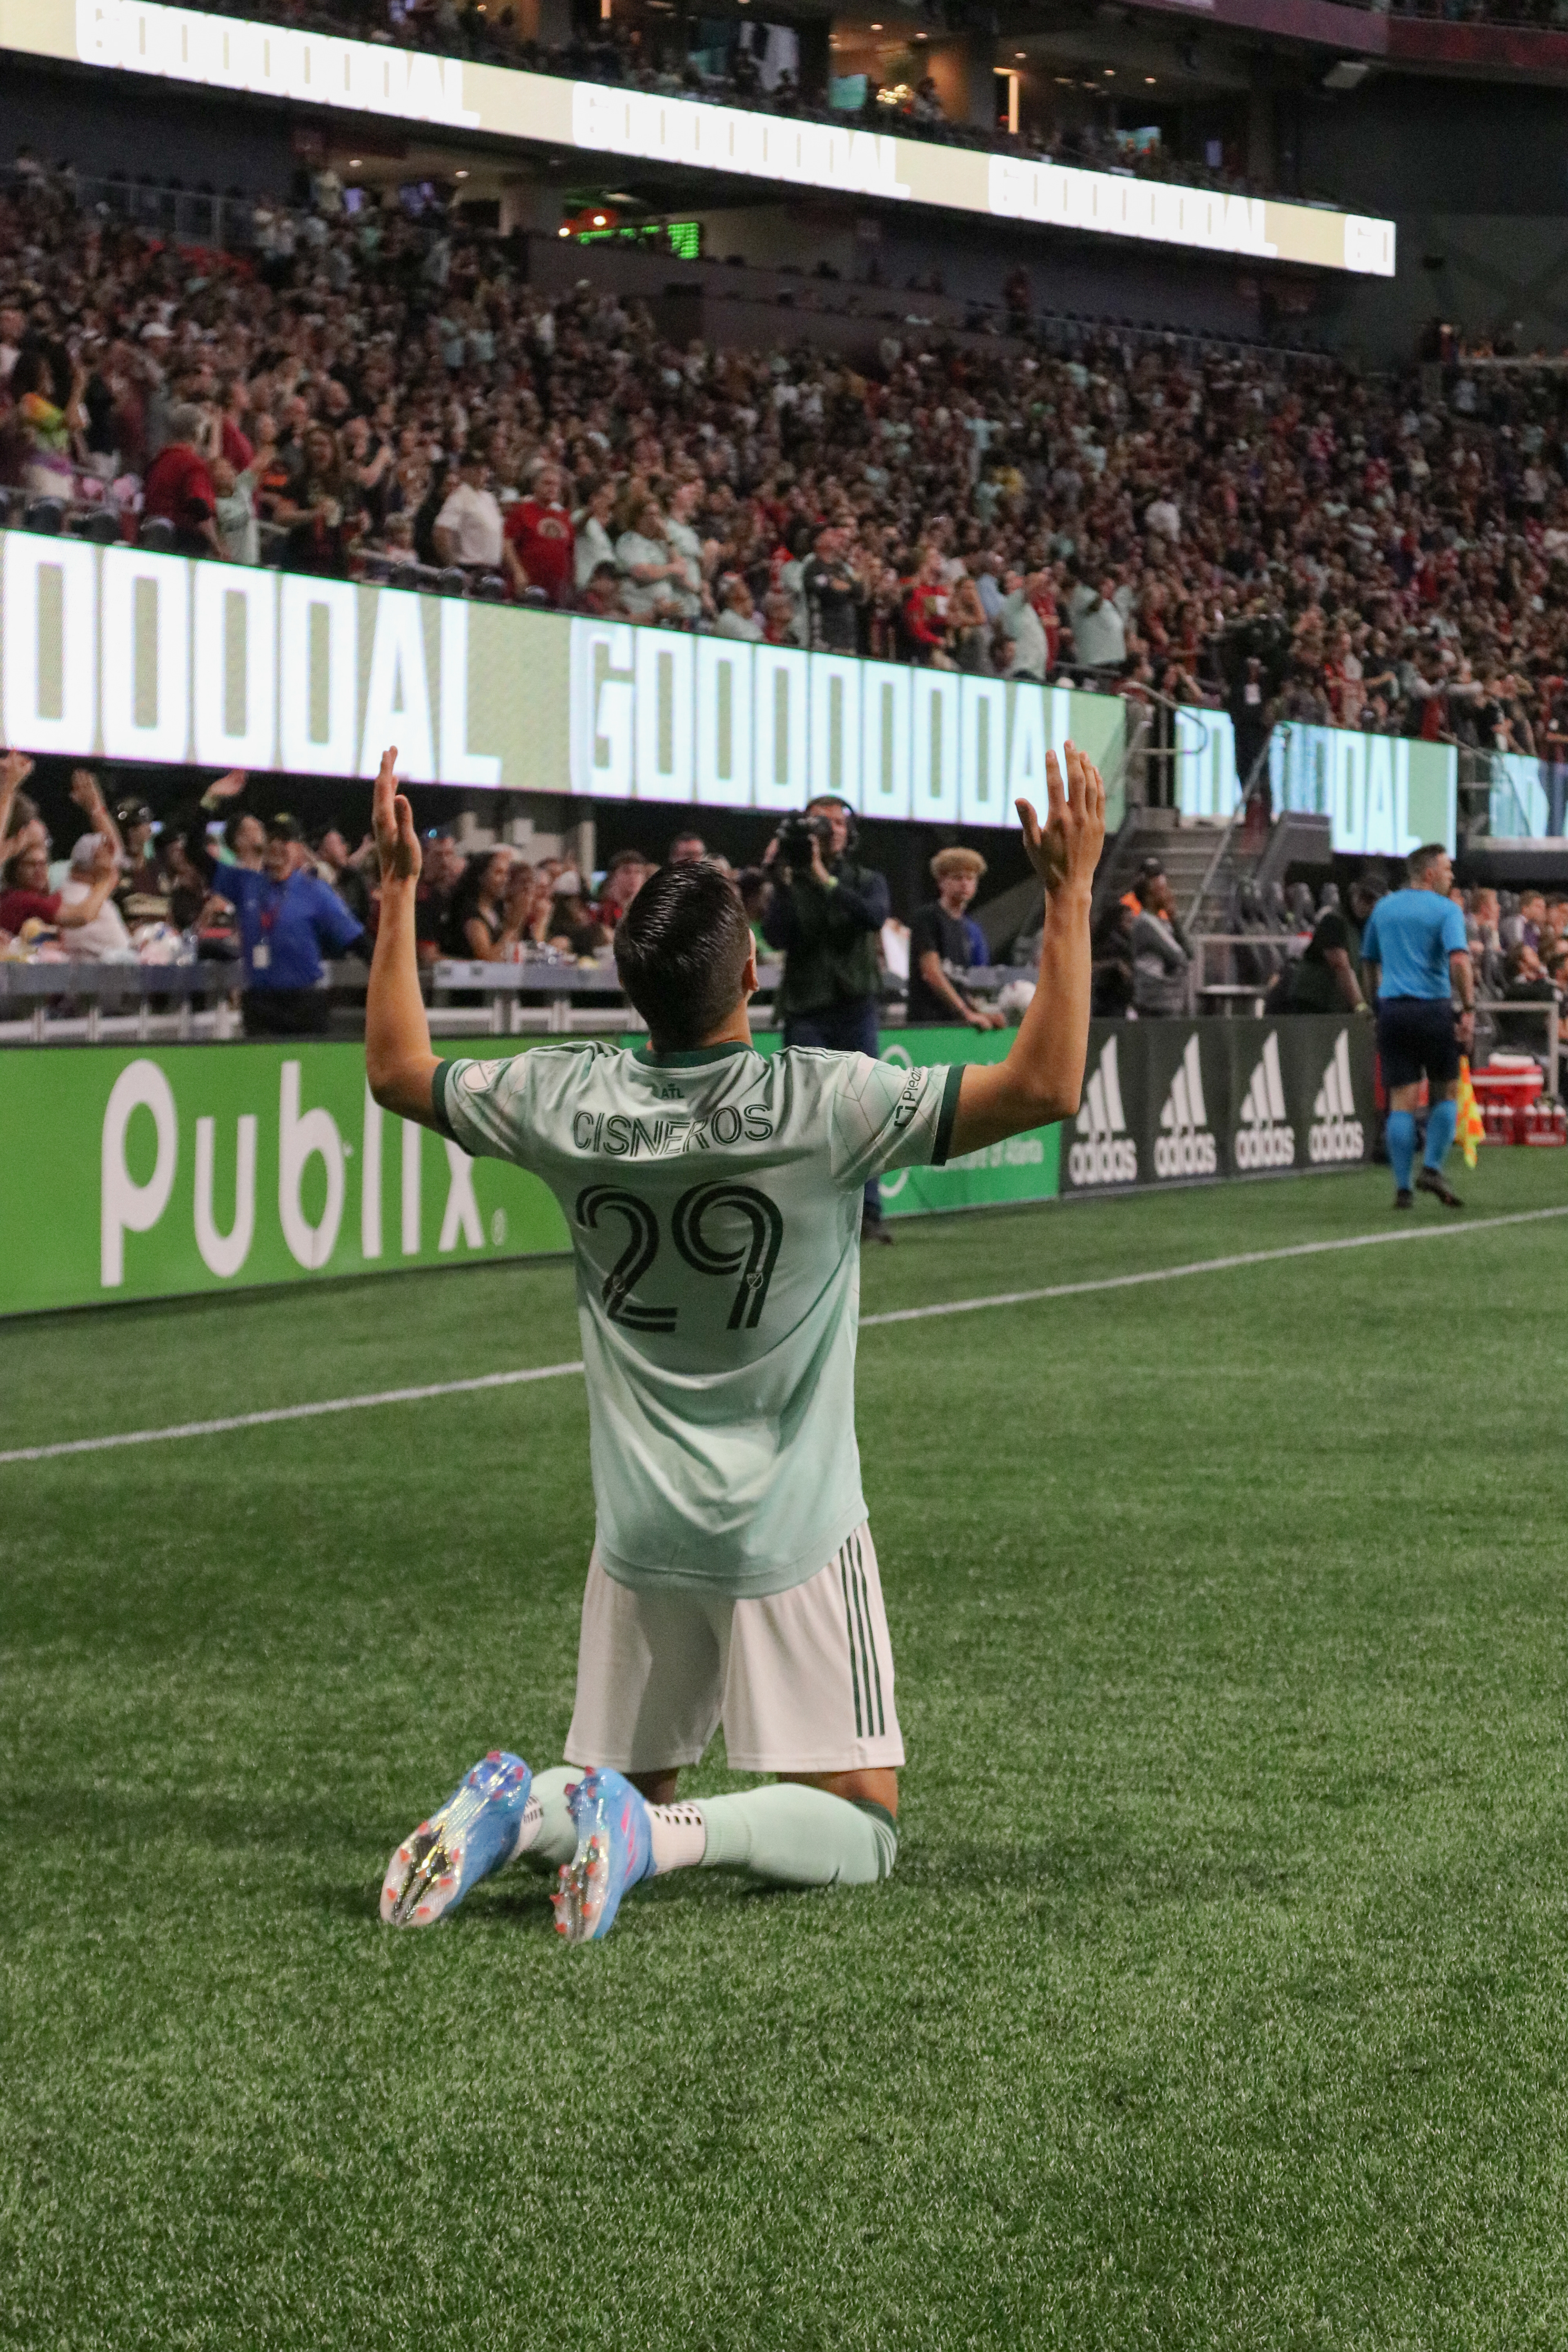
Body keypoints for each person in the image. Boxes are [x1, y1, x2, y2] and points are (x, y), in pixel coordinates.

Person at [365, 738, 1104, 1943]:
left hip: (639, 1528)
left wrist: (399, 892)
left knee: (618, 1783)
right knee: (858, 1827)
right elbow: (1043, 1085)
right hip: (787, 1529)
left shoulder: (564, 1099)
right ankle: (662, 1840)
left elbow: (400, 1069)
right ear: (751, 973)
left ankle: (527, 1808)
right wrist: (1068, 894)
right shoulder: (826, 1104)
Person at [761, 796, 893, 1242]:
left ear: (850, 832)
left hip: (855, 1005)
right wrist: (780, 883)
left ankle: (869, 1212)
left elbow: (873, 917)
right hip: (806, 1007)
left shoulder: (868, 880)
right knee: (803, 1114)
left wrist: (822, 878)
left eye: (839, 822)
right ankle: (802, 1212)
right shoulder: (791, 881)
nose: (832, 828)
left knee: (866, 1110)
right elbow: (777, 935)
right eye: (822, 821)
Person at [1360, 842, 1474, 1211]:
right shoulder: (1446, 910)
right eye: (1447, 870)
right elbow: (1459, 960)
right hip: (1432, 1010)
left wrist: (1376, 1004)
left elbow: (1368, 962)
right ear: (1429, 873)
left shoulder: (1384, 908)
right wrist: (1468, 1007)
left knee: (1401, 1103)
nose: (1451, 876)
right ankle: (1432, 1168)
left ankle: (1402, 1188)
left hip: (1393, 1011)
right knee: (1446, 1091)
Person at [204, 811, 367, 1037]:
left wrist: (395, 983)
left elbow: (358, 942)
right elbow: (196, 852)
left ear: (299, 849)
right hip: (261, 1007)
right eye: (272, 838)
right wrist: (209, 801)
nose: (277, 845)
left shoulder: (315, 891)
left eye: (286, 840)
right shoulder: (244, 884)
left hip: (305, 1006)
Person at [906, 848, 1006, 1030]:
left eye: (971, 878)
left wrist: (982, 1012)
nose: (965, 884)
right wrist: (967, 1014)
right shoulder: (928, 918)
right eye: (958, 878)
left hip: (954, 1026)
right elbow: (932, 973)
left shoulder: (965, 927)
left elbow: (959, 982)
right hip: (927, 1025)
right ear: (942, 882)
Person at [1286, 871, 1385, 1015]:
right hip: (1312, 1003)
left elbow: (1373, 969)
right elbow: (1341, 966)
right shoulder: (1333, 921)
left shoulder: (1368, 928)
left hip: (1336, 1006)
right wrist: (1360, 1006)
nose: (1366, 904)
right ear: (1354, 892)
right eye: (1364, 897)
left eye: (1374, 901)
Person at [141, 402, 222, 560]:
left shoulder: (159, 461)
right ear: (198, 432)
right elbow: (198, 506)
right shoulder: (192, 464)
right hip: (182, 544)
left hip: (153, 538)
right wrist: (217, 545)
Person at [1127, 858, 1193, 1017]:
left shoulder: (1162, 922)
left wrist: (1173, 918)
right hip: (1154, 1007)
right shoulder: (1146, 923)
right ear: (1150, 894)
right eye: (1162, 889)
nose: (1168, 893)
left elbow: (1190, 953)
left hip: (1168, 1004)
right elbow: (1180, 957)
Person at [433, 443, 503, 574]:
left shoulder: (488, 498)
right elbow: (441, 532)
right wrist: (454, 567)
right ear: (464, 471)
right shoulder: (459, 497)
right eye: (477, 469)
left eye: (485, 468)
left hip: (493, 569)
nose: (483, 473)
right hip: (471, 568)